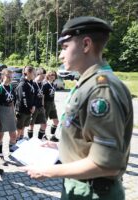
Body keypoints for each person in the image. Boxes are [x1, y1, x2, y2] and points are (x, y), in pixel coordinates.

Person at [22, 16, 133, 200]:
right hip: (83, 187)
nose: (60, 55)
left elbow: (107, 163)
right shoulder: (89, 83)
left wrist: (49, 171)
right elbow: (87, 138)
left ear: (86, 45)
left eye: (65, 47)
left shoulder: (101, 89)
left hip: (92, 191)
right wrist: (60, 147)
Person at [0, 69, 17, 163]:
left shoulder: (11, 87)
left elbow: (13, 102)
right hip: (1, 111)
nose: (10, 78)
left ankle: (11, 153)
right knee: (0, 136)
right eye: (8, 76)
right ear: (3, 76)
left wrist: (14, 115)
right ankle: (0, 155)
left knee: (13, 135)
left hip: (10, 112)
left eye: (11, 76)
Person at [15, 66, 36, 140]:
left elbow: (33, 96)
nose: (35, 74)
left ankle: (21, 140)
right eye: (34, 73)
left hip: (29, 110)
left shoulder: (31, 83)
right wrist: (30, 108)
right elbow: (23, 99)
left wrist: (33, 106)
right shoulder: (22, 84)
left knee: (23, 127)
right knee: (19, 128)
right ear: (28, 73)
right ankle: (15, 143)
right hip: (22, 110)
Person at [28, 67, 47, 139]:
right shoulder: (32, 84)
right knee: (31, 125)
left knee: (44, 124)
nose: (43, 78)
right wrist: (31, 107)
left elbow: (43, 96)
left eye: (44, 76)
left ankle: (39, 139)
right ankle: (30, 140)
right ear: (38, 74)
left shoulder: (42, 84)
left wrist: (43, 106)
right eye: (42, 76)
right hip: (34, 107)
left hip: (40, 107)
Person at [41, 70, 59, 142]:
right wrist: (42, 106)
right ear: (48, 76)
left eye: (54, 75)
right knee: (44, 121)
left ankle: (52, 135)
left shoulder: (54, 84)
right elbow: (42, 96)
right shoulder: (45, 85)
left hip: (52, 103)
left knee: (56, 121)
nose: (52, 76)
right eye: (51, 75)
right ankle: (43, 135)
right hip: (46, 104)